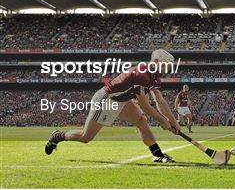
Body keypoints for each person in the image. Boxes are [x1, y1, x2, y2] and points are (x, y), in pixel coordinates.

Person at [44, 49, 181, 163]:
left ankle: (157, 154)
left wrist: (174, 122)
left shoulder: (155, 77)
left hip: (123, 100)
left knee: (141, 120)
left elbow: (160, 101)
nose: (167, 68)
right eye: (165, 65)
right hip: (107, 100)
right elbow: (145, 106)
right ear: (156, 62)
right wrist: (163, 121)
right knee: (86, 137)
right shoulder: (142, 74)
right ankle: (57, 136)